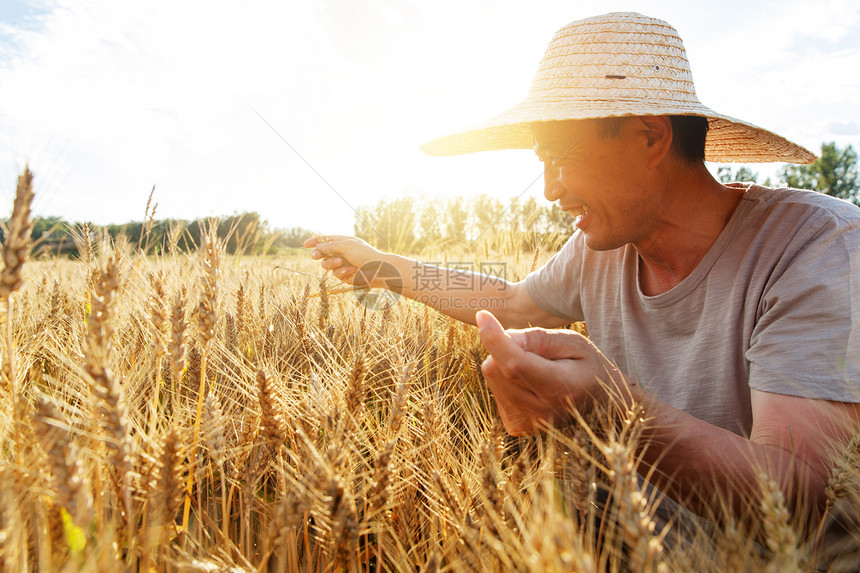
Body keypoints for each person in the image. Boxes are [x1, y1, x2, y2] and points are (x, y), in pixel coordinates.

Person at [305, 11, 860, 555]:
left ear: (650, 137)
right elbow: (513, 302)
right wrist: (381, 265)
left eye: (560, 158)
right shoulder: (605, 246)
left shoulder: (818, 248)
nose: (549, 190)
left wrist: (616, 412)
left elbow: (800, 495)